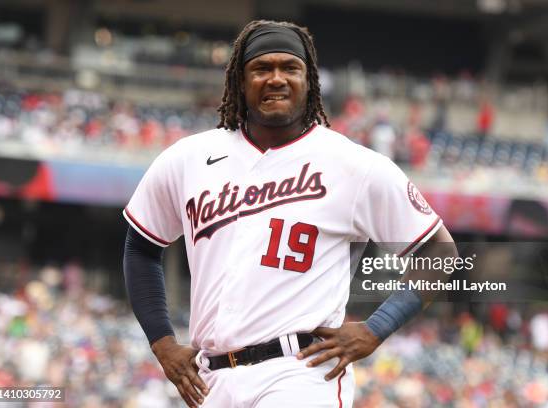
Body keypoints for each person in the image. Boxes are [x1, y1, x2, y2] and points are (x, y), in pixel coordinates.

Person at [123, 20, 455, 407]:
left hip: (299, 372)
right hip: (211, 381)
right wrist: (162, 343)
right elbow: (141, 248)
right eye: (262, 69)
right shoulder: (188, 159)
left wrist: (376, 328)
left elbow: (440, 253)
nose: (276, 78)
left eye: (289, 68)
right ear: (239, 81)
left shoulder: (355, 165)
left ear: (309, 80)